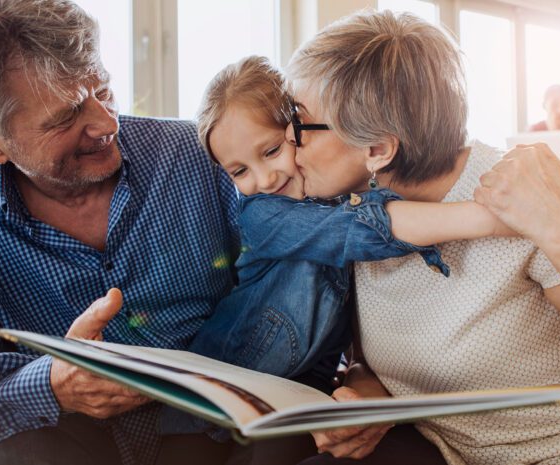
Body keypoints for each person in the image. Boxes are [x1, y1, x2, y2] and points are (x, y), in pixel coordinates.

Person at [276, 10, 560, 465]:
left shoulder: (515, 197)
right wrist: (368, 395)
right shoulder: (353, 211)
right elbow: (375, 353)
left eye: (301, 122)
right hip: (452, 450)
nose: (287, 137)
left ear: (378, 149)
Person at [162, 55, 516, 464]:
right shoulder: (262, 214)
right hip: (212, 395)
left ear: (300, 131)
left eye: (272, 150)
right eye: (239, 171)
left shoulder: (340, 191)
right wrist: (491, 218)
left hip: (294, 393)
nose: (263, 179)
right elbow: (363, 229)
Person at [0, 1, 238, 464]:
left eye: (104, 89)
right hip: (67, 441)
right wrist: (52, 384)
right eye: (66, 117)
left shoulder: (197, 156)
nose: (107, 122)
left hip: (219, 434)